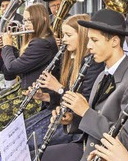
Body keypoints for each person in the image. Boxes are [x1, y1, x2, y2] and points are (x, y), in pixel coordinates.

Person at [38, 9, 128, 161]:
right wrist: (71, 120)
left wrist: (85, 112)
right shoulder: (104, 73)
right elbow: (94, 119)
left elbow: (126, 140)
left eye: (94, 40)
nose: (88, 46)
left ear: (114, 41)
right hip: (87, 150)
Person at [0, 3, 57, 161]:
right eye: (24, 20)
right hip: (22, 89)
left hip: (34, 97)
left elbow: (12, 68)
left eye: (30, 20)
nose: (25, 24)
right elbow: (13, 67)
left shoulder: (43, 43)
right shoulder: (35, 40)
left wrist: (8, 46)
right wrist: (5, 48)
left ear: (43, 19)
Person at [26, 14, 104, 149]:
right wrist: (45, 96)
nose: (64, 40)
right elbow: (62, 97)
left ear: (83, 36)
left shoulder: (93, 64)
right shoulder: (69, 58)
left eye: (68, 35)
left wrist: (59, 88)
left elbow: (85, 101)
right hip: (60, 114)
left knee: (30, 143)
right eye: (63, 35)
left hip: (75, 126)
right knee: (22, 131)